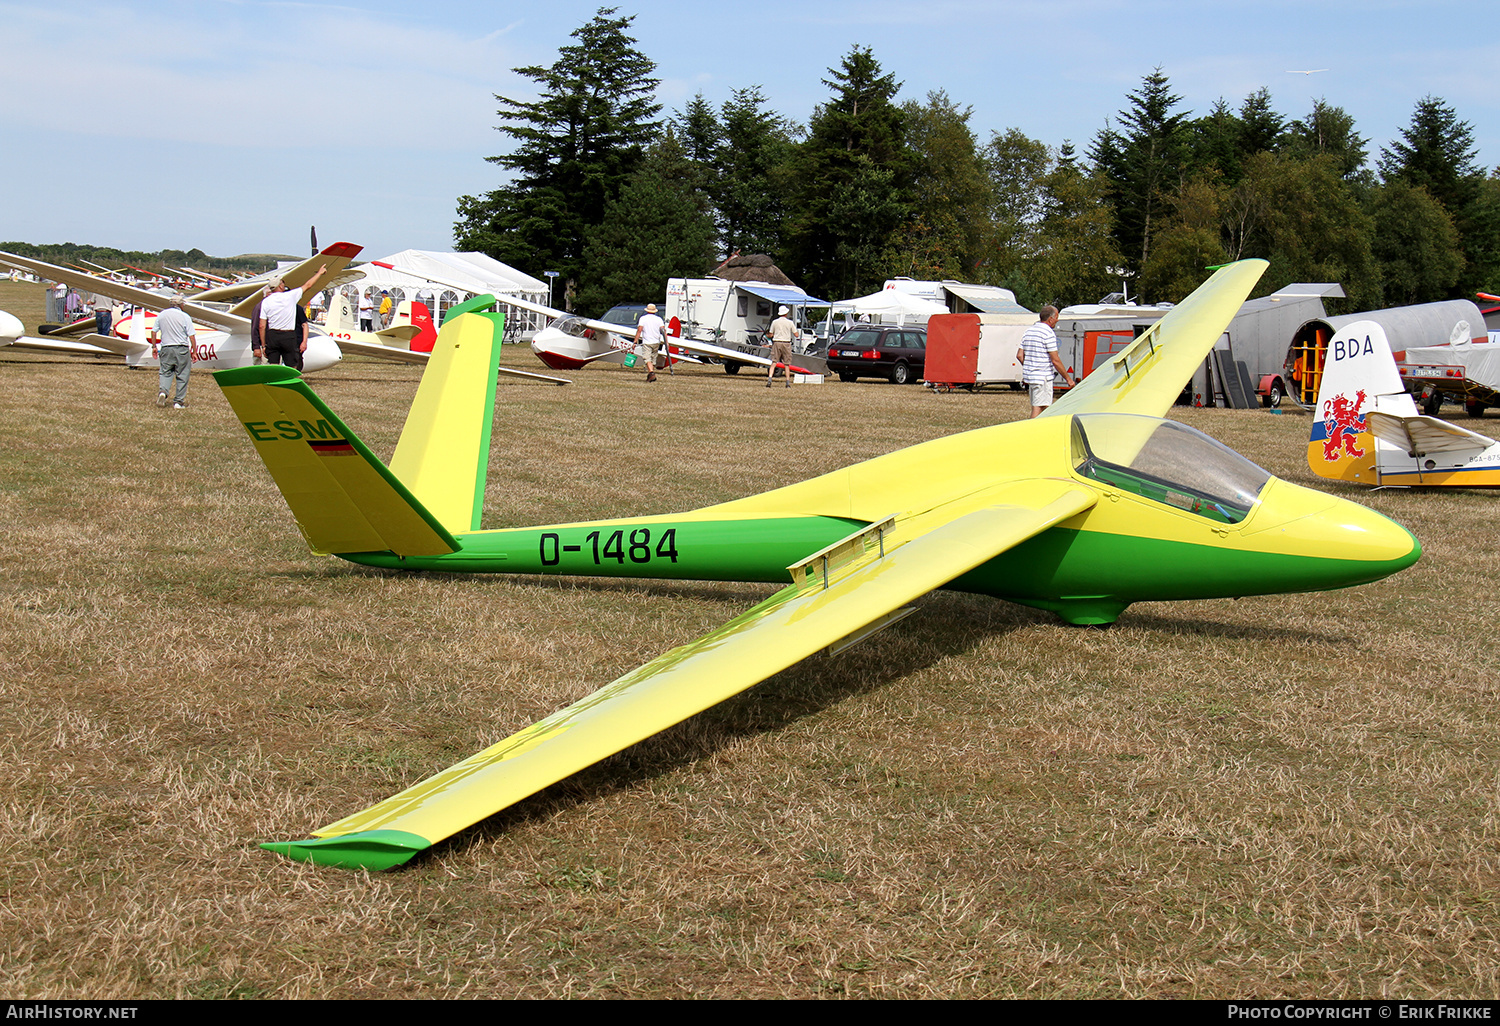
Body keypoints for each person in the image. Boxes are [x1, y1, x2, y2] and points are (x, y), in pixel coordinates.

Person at [259, 264, 329, 370]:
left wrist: (264, 345)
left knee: (273, 367)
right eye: (282, 282)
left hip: (272, 336)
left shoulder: (266, 301)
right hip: (288, 335)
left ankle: (274, 385)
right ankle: (292, 384)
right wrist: (319, 273)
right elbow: (308, 285)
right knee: (292, 366)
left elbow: (262, 326)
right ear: (280, 286)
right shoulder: (290, 296)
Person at [1016, 305, 1074, 418]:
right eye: (1056, 317)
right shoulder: (1048, 333)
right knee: (1038, 408)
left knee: (1044, 407)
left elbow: (1019, 355)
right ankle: (1030, 432)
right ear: (1050, 319)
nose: (1057, 320)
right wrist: (1068, 379)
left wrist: (1030, 367)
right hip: (1043, 377)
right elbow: (1055, 360)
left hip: (1032, 377)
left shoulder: (1029, 331)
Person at [152, 293, 196, 409]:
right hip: (181, 348)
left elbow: (154, 331)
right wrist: (194, 351)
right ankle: (178, 401)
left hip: (166, 347)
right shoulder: (185, 316)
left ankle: (163, 392)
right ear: (181, 305)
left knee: (165, 372)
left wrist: (154, 347)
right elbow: (191, 336)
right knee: (182, 374)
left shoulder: (161, 315)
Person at [766, 305, 799, 388]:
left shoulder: (774, 322)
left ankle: (769, 379)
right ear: (786, 313)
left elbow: (770, 334)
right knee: (787, 364)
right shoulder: (790, 322)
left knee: (774, 362)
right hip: (786, 343)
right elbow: (796, 334)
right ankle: (787, 382)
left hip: (776, 342)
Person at [633, 302, 667, 382]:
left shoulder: (643, 318)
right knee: (653, 359)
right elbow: (663, 330)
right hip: (656, 341)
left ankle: (651, 373)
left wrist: (635, 341)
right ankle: (650, 374)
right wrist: (666, 342)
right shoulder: (659, 319)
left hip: (647, 341)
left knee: (647, 358)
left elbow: (639, 330)